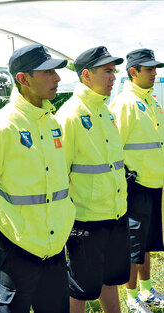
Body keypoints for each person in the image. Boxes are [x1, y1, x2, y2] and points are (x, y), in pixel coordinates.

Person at [0, 44, 76, 313]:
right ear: (23, 79)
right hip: (16, 250)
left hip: (54, 248)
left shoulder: (52, 124)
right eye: (48, 72)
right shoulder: (2, 128)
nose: (58, 78)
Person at [55, 46, 129, 313]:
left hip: (115, 213)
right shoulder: (70, 115)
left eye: (113, 71)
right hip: (86, 220)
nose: (113, 76)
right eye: (107, 71)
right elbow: (58, 174)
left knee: (110, 279)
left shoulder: (106, 113)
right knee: (81, 287)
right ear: (86, 75)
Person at [110, 48, 164, 312]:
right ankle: (131, 297)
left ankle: (147, 289)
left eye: (155, 68)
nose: (155, 73)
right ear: (133, 72)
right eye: (149, 69)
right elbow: (113, 147)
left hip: (154, 185)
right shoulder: (125, 104)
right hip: (135, 186)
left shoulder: (152, 102)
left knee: (149, 242)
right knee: (134, 244)